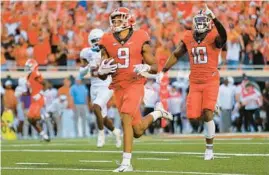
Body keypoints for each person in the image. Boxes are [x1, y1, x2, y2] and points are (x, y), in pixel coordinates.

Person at [97, 7, 172, 172]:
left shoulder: (140, 37)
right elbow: (102, 73)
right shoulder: (107, 39)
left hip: (135, 83)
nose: (115, 22)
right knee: (137, 130)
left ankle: (126, 163)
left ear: (128, 20)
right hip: (117, 86)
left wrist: (145, 67)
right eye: (114, 19)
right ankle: (158, 113)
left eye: (119, 19)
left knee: (125, 117)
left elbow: (154, 66)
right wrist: (100, 71)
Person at [157, 5, 227, 160]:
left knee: (207, 113)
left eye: (204, 20)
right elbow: (175, 54)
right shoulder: (188, 36)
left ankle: (209, 149)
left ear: (209, 22)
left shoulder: (215, 36)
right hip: (195, 82)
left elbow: (224, 36)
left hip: (210, 79)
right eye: (199, 21)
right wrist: (163, 71)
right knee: (193, 116)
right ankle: (210, 108)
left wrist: (215, 18)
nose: (201, 24)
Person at [79, 28, 121, 148]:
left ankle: (101, 134)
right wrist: (87, 67)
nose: (97, 42)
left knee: (96, 106)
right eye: (94, 40)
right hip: (94, 86)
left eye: (99, 40)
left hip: (106, 85)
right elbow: (81, 74)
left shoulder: (109, 51)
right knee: (103, 117)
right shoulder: (86, 53)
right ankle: (116, 132)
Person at [24, 59, 50, 141]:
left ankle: (46, 116)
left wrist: (40, 94)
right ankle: (43, 134)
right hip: (33, 100)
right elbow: (30, 90)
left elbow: (45, 84)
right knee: (30, 119)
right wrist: (24, 93)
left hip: (39, 98)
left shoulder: (36, 74)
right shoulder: (28, 76)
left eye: (29, 67)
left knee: (33, 118)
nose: (27, 68)